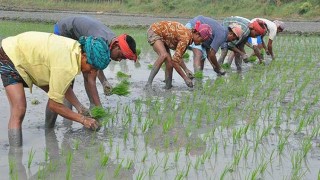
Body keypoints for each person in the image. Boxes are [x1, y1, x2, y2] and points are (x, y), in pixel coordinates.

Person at [0, 31, 109, 146]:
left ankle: (46, 133)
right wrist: (83, 119)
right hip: (10, 54)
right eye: (92, 67)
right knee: (19, 109)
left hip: (31, 59)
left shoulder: (75, 51)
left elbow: (61, 87)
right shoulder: (65, 64)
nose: (92, 72)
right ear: (85, 56)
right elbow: (54, 105)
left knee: (56, 94)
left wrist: (79, 107)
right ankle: (15, 155)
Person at [51, 15, 137, 124]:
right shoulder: (100, 40)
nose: (119, 60)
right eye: (121, 56)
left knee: (87, 71)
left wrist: (104, 82)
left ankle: (89, 108)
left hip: (77, 32)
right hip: (65, 31)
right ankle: (67, 121)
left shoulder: (112, 41)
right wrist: (100, 108)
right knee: (67, 81)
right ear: (117, 46)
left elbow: (96, 64)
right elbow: (91, 75)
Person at [146, 21, 212, 89]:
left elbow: (178, 58)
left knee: (169, 63)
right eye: (202, 40)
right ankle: (148, 84)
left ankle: (168, 86)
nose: (201, 43)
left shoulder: (189, 37)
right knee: (164, 55)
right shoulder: (186, 38)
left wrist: (186, 70)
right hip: (155, 32)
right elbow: (175, 61)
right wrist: (185, 78)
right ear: (197, 34)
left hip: (164, 38)